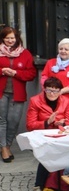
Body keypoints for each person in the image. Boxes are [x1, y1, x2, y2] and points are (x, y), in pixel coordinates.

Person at [27, 78, 69, 191]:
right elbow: (30, 125)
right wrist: (47, 122)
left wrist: (63, 123)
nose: (52, 93)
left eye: (55, 91)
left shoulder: (66, 100)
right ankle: (38, 188)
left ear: (60, 91)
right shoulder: (35, 100)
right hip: (43, 136)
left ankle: (64, 185)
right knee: (46, 156)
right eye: (49, 90)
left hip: (60, 135)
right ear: (44, 89)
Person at [0, 26, 36, 162]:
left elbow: (31, 73)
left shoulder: (25, 53)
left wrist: (16, 73)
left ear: (17, 38)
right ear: (3, 38)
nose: (10, 40)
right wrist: (3, 71)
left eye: (12, 38)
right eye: (7, 37)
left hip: (17, 93)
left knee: (13, 121)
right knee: (1, 120)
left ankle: (8, 144)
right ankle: (4, 148)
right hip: (1, 92)